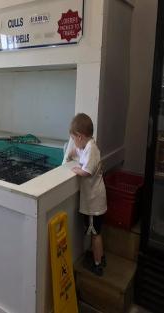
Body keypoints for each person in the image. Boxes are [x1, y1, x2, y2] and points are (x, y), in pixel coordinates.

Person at [66, 113, 107, 276]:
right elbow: (78, 152)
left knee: (95, 234)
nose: (74, 143)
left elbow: (87, 171)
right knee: (96, 232)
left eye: (74, 139)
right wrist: (71, 154)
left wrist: (78, 170)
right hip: (95, 198)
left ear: (80, 136)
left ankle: (98, 264)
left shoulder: (91, 148)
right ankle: (100, 257)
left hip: (94, 201)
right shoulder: (89, 145)